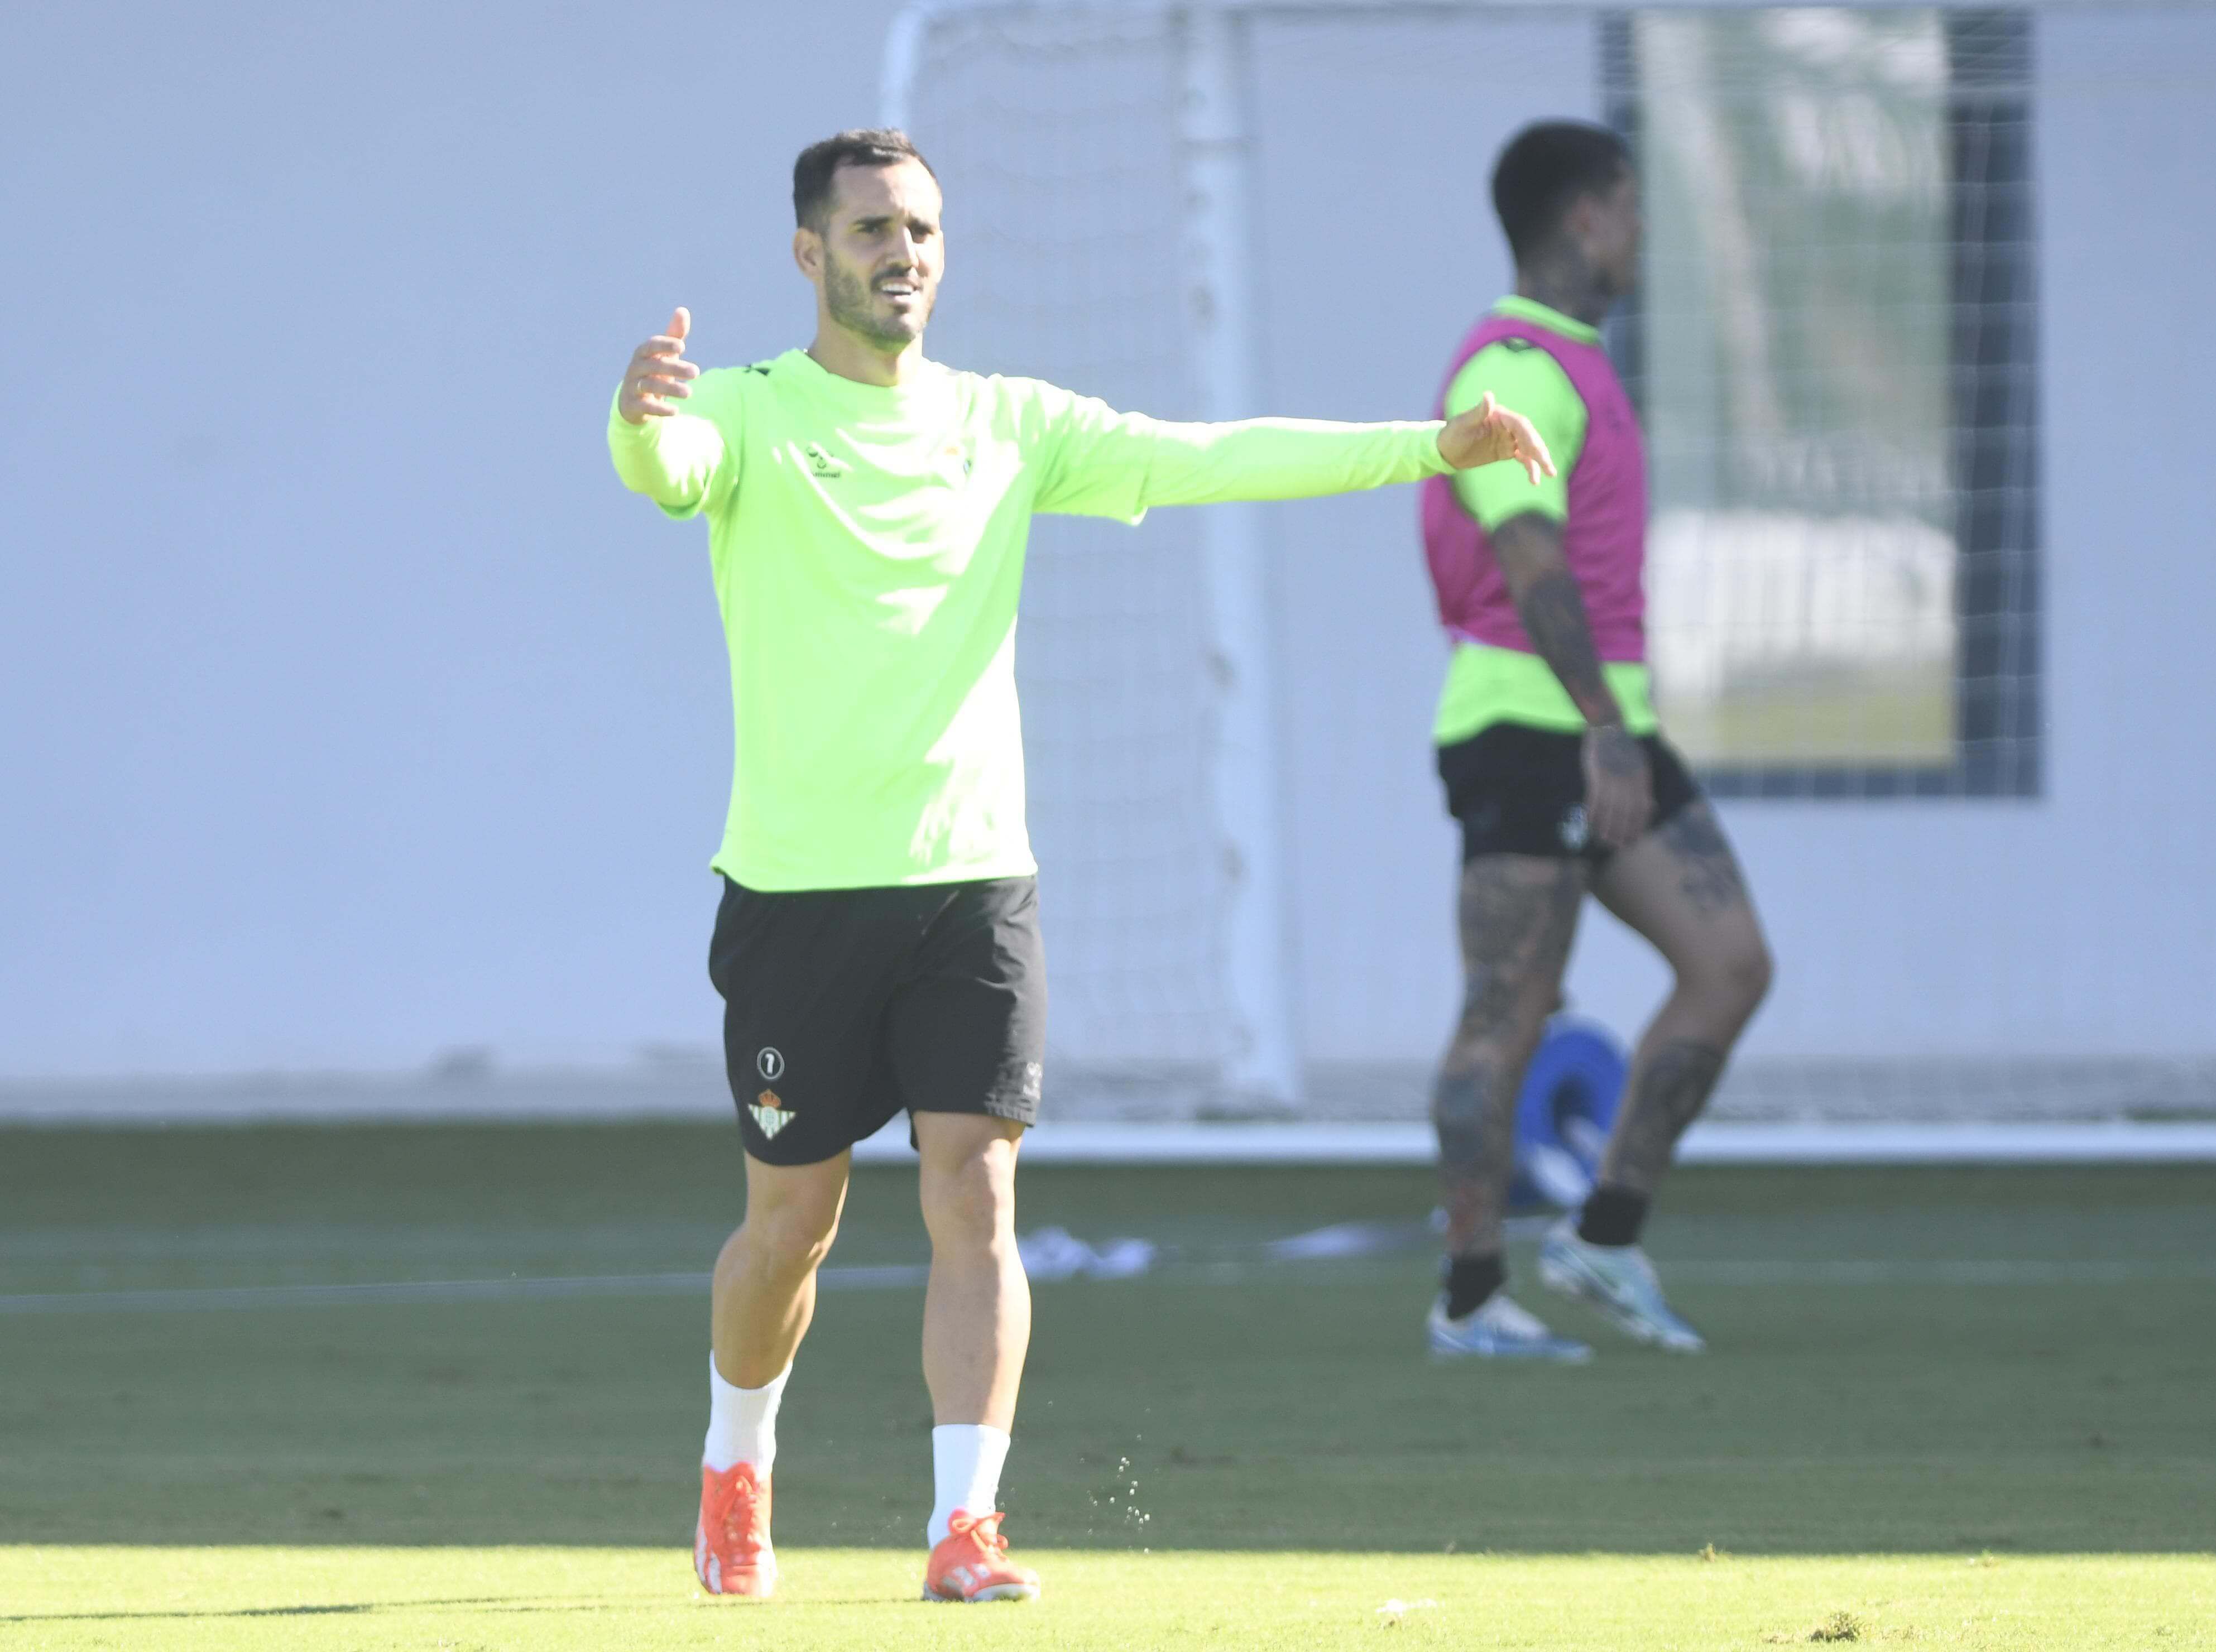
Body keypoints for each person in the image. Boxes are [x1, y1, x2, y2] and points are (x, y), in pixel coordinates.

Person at [607, 128, 1554, 1604]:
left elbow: (1209, 457)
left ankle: (964, 1525)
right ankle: (737, 1463)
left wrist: (1427, 447)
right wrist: (639, 420)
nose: (902, 253)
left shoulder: (1009, 422)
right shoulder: (743, 407)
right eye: (871, 230)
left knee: (976, 1198)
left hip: (974, 884)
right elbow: (667, 468)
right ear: (809, 254)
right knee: (789, 1227)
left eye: (921, 229)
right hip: (796, 897)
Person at [1417, 121, 1773, 1363]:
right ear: (1586, 215)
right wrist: (1604, 732)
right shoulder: (1509, 370)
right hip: (1532, 727)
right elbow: (1528, 561)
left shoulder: (1573, 363)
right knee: (1503, 1014)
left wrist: (1619, 729)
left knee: (1730, 963)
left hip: (1605, 722)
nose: (1639, 232)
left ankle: (1602, 1237)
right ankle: (1469, 1299)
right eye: (1629, 207)